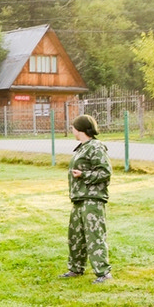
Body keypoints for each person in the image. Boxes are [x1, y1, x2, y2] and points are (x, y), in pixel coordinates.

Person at [61, 114, 112, 283]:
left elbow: (105, 172)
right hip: (79, 198)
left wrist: (84, 175)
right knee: (75, 236)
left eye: (73, 127)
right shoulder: (82, 148)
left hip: (92, 199)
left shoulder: (96, 147)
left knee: (94, 236)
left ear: (79, 129)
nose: (72, 130)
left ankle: (103, 273)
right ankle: (76, 269)